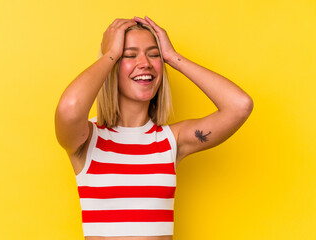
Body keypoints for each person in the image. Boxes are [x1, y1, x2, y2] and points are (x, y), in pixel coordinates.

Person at [55, 16, 253, 240]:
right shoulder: (87, 139)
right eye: (129, 55)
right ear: (112, 66)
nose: (145, 63)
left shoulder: (172, 140)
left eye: (154, 54)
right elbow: (70, 108)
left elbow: (239, 106)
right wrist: (110, 54)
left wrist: (172, 57)